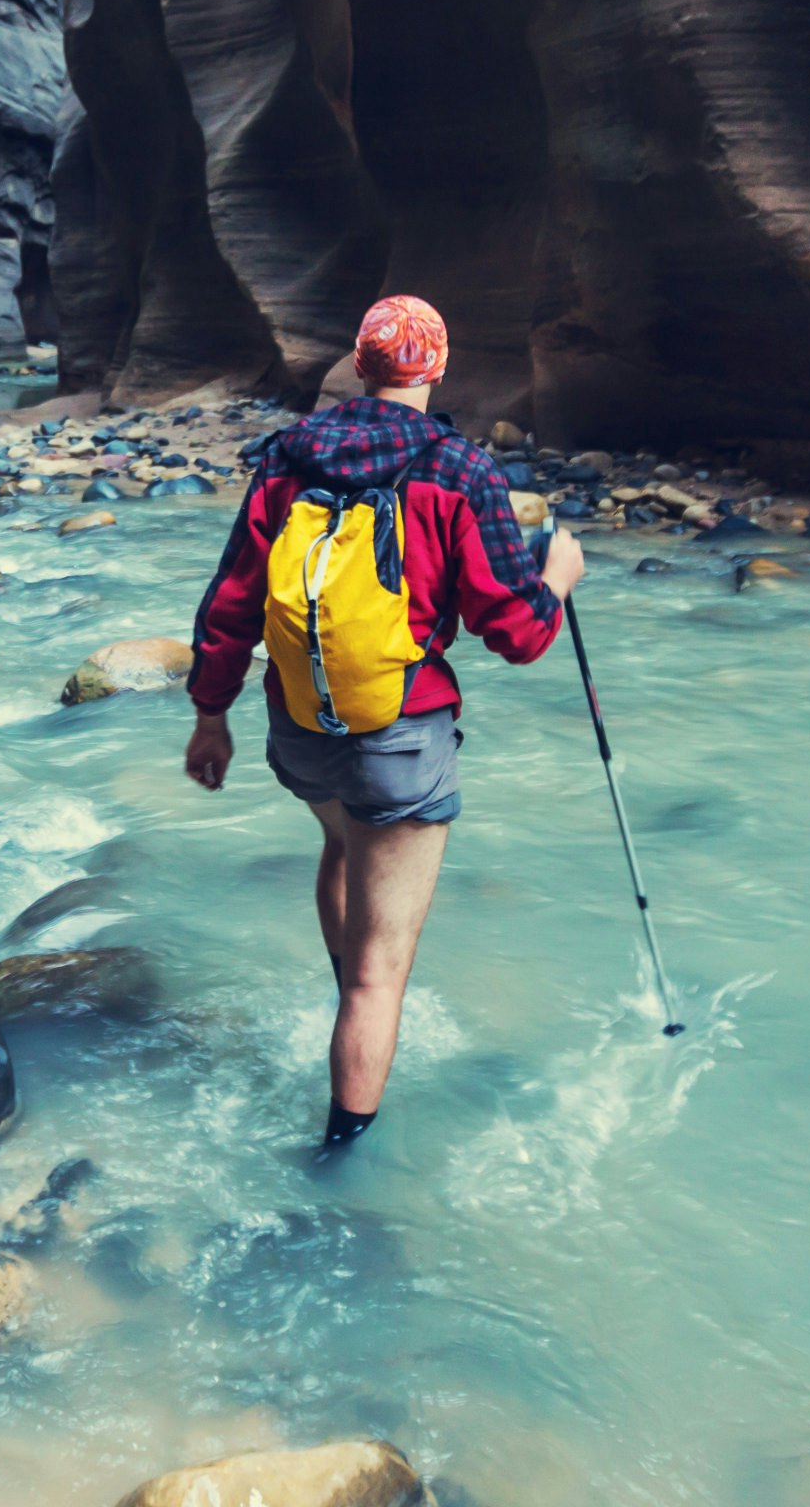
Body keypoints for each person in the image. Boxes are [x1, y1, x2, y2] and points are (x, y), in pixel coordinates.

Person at [183, 294, 584, 1148]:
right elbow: (516, 634)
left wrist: (208, 717)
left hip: (300, 731)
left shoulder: (286, 460)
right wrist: (559, 578)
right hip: (400, 738)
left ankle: (343, 994)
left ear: (360, 368)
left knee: (340, 841)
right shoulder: (460, 471)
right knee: (381, 977)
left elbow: (232, 604)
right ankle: (344, 1152)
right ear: (437, 369)